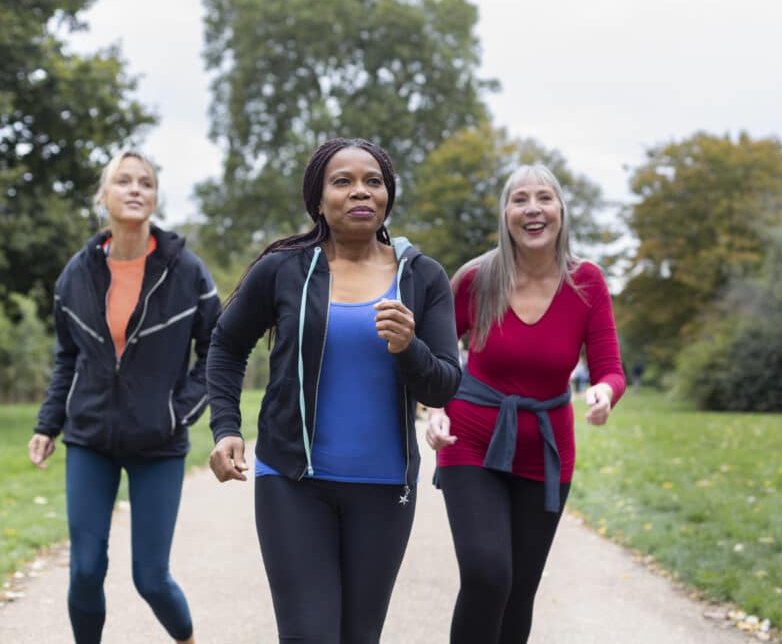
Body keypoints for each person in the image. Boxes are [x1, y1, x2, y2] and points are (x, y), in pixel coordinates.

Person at [206, 138, 461, 643]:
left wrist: (409, 346)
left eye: (373, 181)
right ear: (318, 200)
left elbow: (446, 384)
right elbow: (226, 345)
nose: (360, 191)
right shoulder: (284, 269)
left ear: (388, 195)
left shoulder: (422, 277)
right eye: (342, 182)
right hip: (292, 483)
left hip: (385, 489)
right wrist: (226, 427)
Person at [425, 164, 627, 644]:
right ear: (505, 214)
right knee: (488, 574)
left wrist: (605, 393)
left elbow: (610, 369)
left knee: (519, 591)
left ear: (560, 210)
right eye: (520, 199)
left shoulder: (587, 283)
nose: (533, 209)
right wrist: (434, 410)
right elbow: (435, 358)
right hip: (470, 439)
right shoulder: (476, 278)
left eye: (544, 198)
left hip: (547, 450)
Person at [29, 151, 221, 644]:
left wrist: (180, 411)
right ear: (104, 196)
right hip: (90, 437)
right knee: (86, 569)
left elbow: (217, 348)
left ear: (155, 197)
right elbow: (66, 356)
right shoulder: (77, 274)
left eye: (146, 182)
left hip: (158, 442)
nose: (135, 189)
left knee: (150, 578)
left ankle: (187, 640)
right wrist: (47, 424)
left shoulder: (186, 271)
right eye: (123, 181)